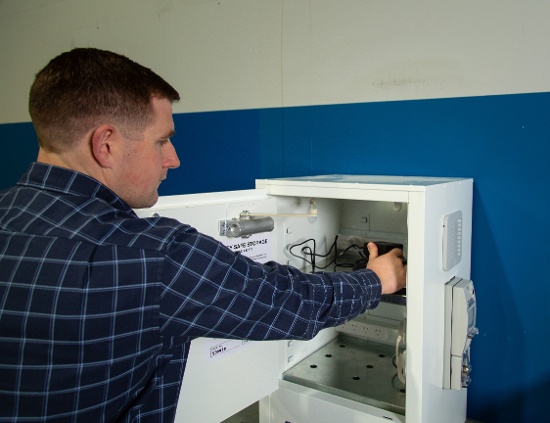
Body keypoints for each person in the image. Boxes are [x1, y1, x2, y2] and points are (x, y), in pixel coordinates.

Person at [0, 48, 406, 422]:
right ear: (105, 145)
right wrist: (378, 279)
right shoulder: (152, 255)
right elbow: (294, 304)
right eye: (162, 141)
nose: (173, 160)